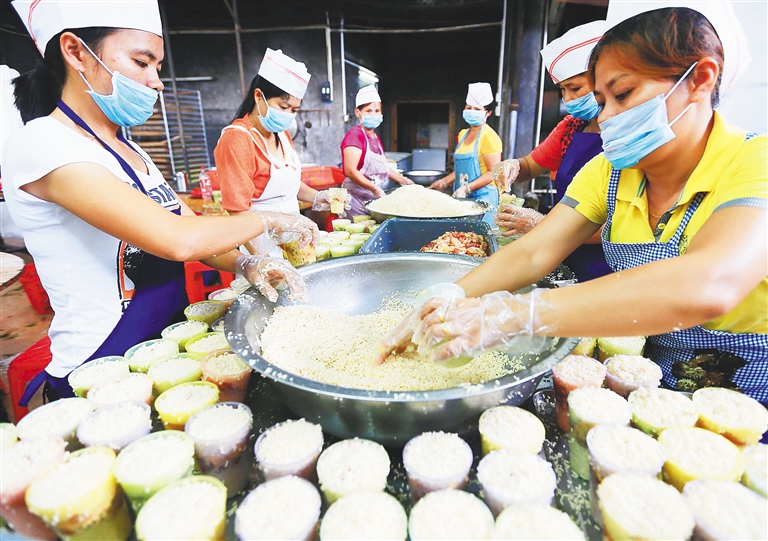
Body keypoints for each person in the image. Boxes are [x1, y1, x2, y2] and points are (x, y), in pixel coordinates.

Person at [378, 5, 768, 406]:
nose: (608, 116)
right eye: (601, 100)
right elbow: (532, 253)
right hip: (638, 375)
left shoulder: (755, 162)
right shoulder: (608, 172)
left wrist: (514, 315)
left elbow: (712, 282)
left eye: (622, 94)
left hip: (744, 399)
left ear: (700, 79)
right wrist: (447, 295)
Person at [3, 0, 317, 403]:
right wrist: (270, 219)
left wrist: (243, 262)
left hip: (166, 346)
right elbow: (177, 239)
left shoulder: (133, 151)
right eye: (141, 62)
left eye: (158, 67)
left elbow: (194, 229)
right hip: (99, 368)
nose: (156, 82)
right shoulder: (42, 144)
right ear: (75, 51)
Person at [493, 21, 612, 282]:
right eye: (562, 90)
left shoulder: (627, 135)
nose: (568, 99)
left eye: (575, 88)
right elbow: (530, 165)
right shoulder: (571, 128)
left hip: (607, 267)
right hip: (562, 253)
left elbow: (620, 225)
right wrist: (513, 166)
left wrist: (541, 224)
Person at [214, 49, 343, 249]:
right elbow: (237, 213)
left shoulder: (282, 134)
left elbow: (289, 186)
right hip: (259, 243)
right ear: (259, 96)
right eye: (283, 107)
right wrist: (259, 259)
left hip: (293, 241)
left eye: (294, 110)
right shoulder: (237, 139)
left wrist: (318, 197)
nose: (288, 115)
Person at [429, 82, 502, 225]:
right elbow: (462, 169)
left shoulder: (489, 137)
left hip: (483, 199)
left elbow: (493, 173)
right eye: (469, 108)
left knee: (480, 234)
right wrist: (444, 181)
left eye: (477, 109)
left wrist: (467, 188)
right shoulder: (463, 134)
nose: (472, 111)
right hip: (462, 198)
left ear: (488, 113)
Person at [340, 85, 413, 218]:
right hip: (355, 200)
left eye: (377, 111)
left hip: (371, 198)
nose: (373, 115)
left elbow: (383, 168)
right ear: (358, 112)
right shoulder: (355, 135)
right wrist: (374, 188)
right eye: (368, 111)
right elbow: (350, 170)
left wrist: (404, 181)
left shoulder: (375, 138)